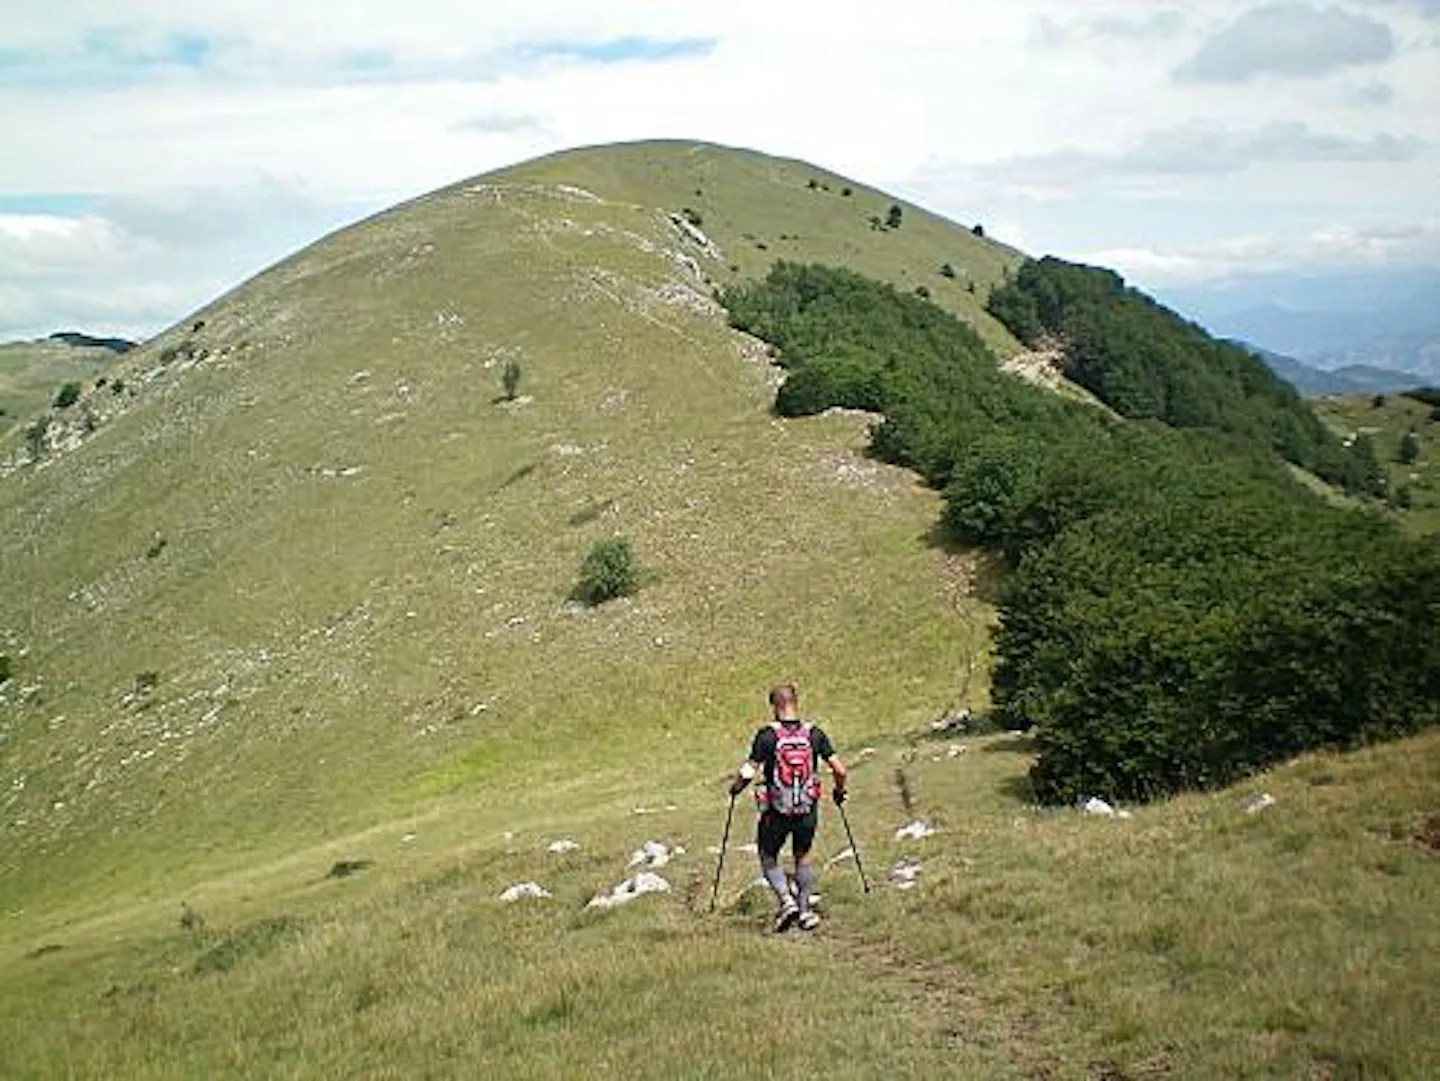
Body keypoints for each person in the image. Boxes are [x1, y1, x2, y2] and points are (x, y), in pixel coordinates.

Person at [729, 683, 848, 932]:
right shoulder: (814, 733)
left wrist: (736, 788)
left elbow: (749, 770)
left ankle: (786, 901)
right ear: (796, 702)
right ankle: (805, 912)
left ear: (774, 705)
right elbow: (840, 769)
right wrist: (839, 791)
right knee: (802, 857)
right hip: (807, 808)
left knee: (767, 854)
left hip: (777, 809)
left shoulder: (767, 736)